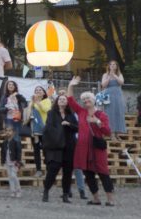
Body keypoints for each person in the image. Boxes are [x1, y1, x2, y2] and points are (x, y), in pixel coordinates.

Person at [66, 76, 115, 206]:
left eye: (88, 98)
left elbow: (108, 132)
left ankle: (110, 200)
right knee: (88, 174)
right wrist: (70, 85)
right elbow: (70, 100)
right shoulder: (81, 112)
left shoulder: (101, 115)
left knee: (103, 173)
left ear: (94, 101)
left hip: (97, 148)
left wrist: (97, 122)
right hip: (83, 148)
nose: (86, 100)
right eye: (84, 99)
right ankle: (96, 198)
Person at [41, 93, 77, 203]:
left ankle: (65, 194)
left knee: (67, 172)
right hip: (56, 146)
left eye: (64, 99)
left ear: (67, 102)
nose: (62, 100)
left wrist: (69, 124)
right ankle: (46, 190)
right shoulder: (51, 113)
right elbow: (49, 127)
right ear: (57, 101)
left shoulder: (71, 114)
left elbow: (77, 128)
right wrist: (60, 127)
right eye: (60, 99)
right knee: (53, 170)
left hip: (69, 146)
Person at [0, 79, 26, 197]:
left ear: (15, 86)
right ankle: (10, 159)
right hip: (9, 119)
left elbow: (25, 103)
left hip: (17, 119)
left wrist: (19, 102)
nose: (10, 86)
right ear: (6, 86)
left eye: (12, 84)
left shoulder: (19, 95)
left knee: (17, 140)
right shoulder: (4, 97)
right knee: (8, 139)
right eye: (9, 84)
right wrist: (7, 108)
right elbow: (0, 109)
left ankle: (17, 161)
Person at [24, 85, 51, 177]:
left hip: (44, 128)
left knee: (46, 150)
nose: (38, 91)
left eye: (40, 90)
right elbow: (27, 114)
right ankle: (38, 170)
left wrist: (38, 102)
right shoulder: (31, 102)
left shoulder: (47, 101)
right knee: (36, 151)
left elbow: (46, 109)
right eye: (36, 90)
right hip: (34, 129)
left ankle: (48, 169)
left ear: (44, 93)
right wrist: (31, 103)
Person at [100, 60, 126, 138]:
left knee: (118, 112)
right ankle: (111, 133)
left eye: (114, 64)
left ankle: (118, 133)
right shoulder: (105, 75)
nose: (112, 65)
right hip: (108, 95)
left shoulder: (119, 74)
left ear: (117, 66)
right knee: (109, 113)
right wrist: (109, 77)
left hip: (118, 95)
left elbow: (122, 82)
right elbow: (103, 85)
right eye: (111, 64)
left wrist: (114, 76)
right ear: (108, 66)